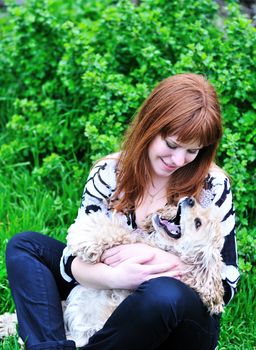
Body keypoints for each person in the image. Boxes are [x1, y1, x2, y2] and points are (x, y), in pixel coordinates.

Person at [5, 73, 240, 350]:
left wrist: (153, 257)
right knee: (25, 246)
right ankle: (54, 345)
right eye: (172, 144)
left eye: (192, 151)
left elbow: (225, 285)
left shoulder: (213, 186)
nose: (178, 160)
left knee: (161, 294)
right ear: (150, 127)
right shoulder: (108, 174)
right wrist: (117, 277)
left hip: (176, 319)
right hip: (108, 289)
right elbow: (71, 262)